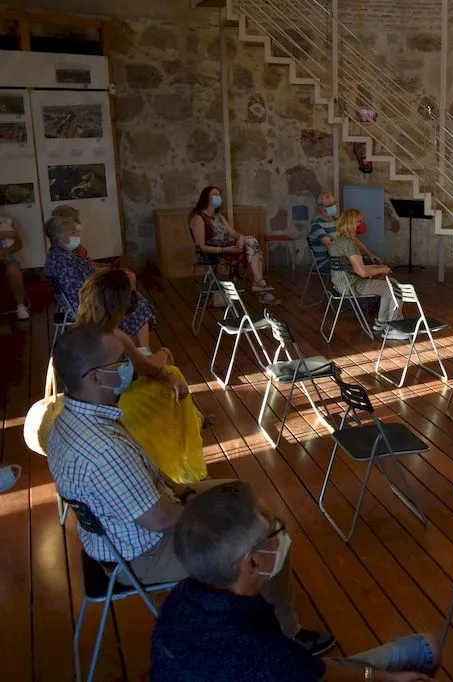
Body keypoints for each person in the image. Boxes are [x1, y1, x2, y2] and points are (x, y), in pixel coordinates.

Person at [45, 324, 333, 657]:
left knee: (238, 490)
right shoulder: (103, 448)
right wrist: (218, 516)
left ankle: (246, 600)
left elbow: (148, 486)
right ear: (94, 377)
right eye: (121, 360)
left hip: (118, 537)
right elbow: (159, 519)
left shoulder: (69, 420)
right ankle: (286, 639)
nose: (130, 365)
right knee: (271, 538)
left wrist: (188, 494)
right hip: (141, 555)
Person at [152, 481, 440, 682]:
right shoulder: (265, 659)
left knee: (423, 647)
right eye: (273, 527)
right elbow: (293, 668)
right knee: (434, 653)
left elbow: (308, 668)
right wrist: (384, 679)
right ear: (252, 562)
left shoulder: (180, 600)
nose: (280, 532)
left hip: (292, 669)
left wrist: (382, 678)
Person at [74, 268, 209, 483]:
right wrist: (164, 353)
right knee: (172, 376)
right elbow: (150, 368)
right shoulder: (115, 337)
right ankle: (172, 459)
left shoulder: (77, 333)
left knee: (170, 375)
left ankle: (191, 421)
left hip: (88, 405)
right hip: (116, 408)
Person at [43, 214, 158, 348]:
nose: (77, 234)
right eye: (72, 232)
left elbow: (86, 275)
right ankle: (141, 351)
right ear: (60, 237)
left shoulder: (64, 254)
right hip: (87, 303)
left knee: (133, 296)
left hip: (89, 296)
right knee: (137, 303)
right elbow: (79, 289)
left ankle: (137, 350)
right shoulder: (60, 261)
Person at [189, 186, 280, 306]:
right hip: (211, 254)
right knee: (254, 252)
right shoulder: (198, 218)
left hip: (227, 249)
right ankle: (262, 289)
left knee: (251, 243)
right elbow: (201, 246)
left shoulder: (219, 217)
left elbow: (232, 233)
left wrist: (241, 237)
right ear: (206, 198)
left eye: (219, 195)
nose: (218, 198)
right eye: (214, 195)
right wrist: (226, 249)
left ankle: (259, 283)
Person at [328, 209, 404, 339]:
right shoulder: (349, 244)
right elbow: (361, 272)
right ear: (352, 223)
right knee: (396, 289)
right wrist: (381, 270)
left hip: (340, 283)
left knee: (391, 283)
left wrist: (378, 267)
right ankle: (396, 327)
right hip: (352, 285)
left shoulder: (338, 240)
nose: (362, 224)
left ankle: (382, 322)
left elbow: (354, 267)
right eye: (359, 221)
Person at [308, 192, 381, 274]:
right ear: (320, 208)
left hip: (342, 258)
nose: (332, 207)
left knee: (374, 265)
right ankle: (354, 285)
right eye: (329, 205)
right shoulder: (316, 226)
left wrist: (369, 254)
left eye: (334, 203)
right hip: (327, 262)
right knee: (364, 269)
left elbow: (352, 237)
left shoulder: (336, 221)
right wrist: (352, 257)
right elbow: (331, 247)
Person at [0, 216, 29, 320]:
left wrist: (5, 251)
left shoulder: (7, 222)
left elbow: (18, 245)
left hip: (8, 258)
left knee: (13, 269)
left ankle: (21, 306)